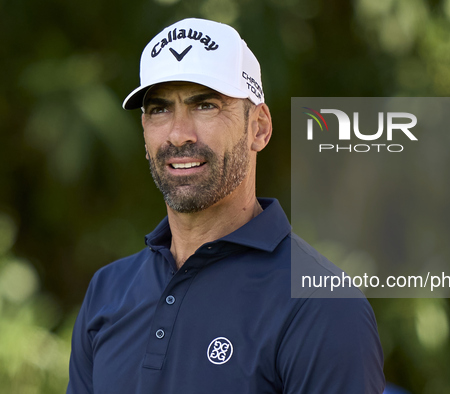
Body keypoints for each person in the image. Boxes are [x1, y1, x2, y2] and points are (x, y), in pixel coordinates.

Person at [67, 18, 385, 393]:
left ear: (259, 128)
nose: (178, 134)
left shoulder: (324, 306)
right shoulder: (108, 292)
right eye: (159, 109)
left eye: (205, 105)